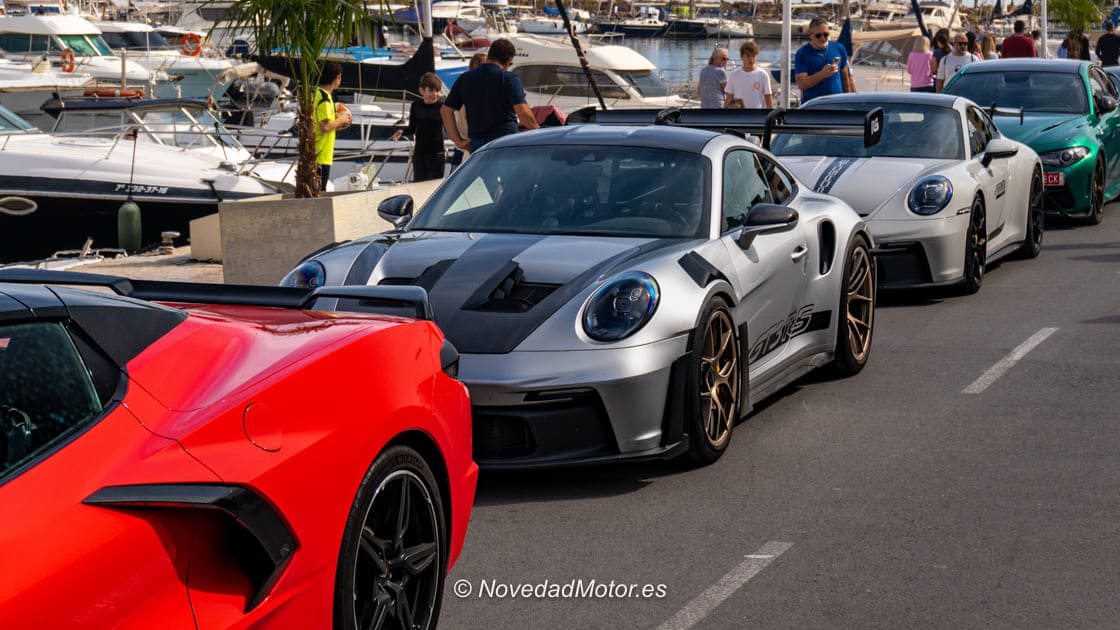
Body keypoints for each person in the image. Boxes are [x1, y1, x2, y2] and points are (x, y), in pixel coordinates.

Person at [441, 38, 539, 154]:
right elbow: (523, 113)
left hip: (478, 145)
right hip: (505, 142)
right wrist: (539, 133)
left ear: (489, 55)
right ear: (508, 60)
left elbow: (445, 111)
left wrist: (459, 141)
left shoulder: (465, 78)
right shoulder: (508, 79)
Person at [391, 72, 446, 182]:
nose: (434, 94)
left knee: (433, 187)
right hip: (420, 153)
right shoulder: (416, 106)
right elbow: (412, 127)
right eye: (431, 90)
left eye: (437, 90)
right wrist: (402, 131)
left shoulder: (442, 107)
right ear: (421, 91)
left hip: (436, 154)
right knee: (419, 185)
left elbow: (449, 127)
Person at [794, 17, 854, 103]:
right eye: (818, 35)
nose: (822, 38)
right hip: (814, 106)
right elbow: (802, 84)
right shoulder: (802, 54)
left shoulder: (839, 48)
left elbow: (845, 79)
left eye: (826, 34)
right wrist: (822, 74)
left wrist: (847, 101)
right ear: (810, 35)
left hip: (837, 104)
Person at [313, 61, 352, 191]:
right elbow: (324, 127)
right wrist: (341, 119)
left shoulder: (322, 95)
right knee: (319, 191)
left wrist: (341, 123)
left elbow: (327, 125)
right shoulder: (323, 98)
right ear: (337, 78)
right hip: (320, 155)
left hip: (322, 154)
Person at [448, 52, 486, 171]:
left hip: (463, 145)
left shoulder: (463, 84)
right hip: (472, 144)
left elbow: (449, 113)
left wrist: (458, 141)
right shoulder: (477, 89)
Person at [725, 41, 773, 107]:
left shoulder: (763, 75)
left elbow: (768, 97)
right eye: (748, 56)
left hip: (756, 115)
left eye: (753, 56)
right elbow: (729, 97)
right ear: (742, 57)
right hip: (738, 115)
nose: (751, 59)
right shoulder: (734, 75)